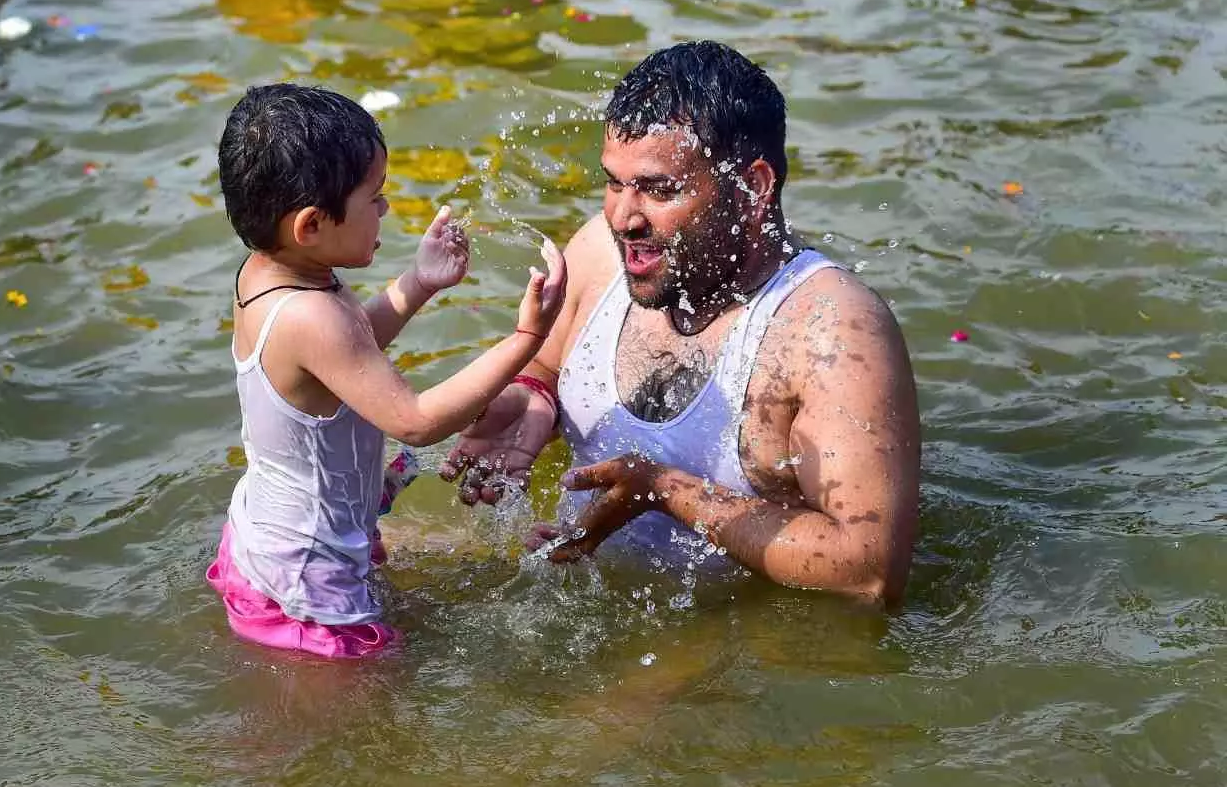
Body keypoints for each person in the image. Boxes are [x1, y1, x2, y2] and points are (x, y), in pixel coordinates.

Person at [439, 41, 921, 607]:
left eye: (659, 189)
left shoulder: (830, 330)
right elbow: (549, 359)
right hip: (579, 584)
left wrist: (665, 490)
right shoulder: (600, 249)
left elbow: (868, 571)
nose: (624, 216)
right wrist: (533, 394)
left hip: (729, 647)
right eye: (614, 183)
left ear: (754, 187)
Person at [208, 83, 567, 658]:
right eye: (373, 197)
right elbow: (417, 421)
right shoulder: (310, 314)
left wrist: (418, 283)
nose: (385, 209)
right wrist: (529, 338)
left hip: (276, 530)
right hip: (309, 577)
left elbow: (348, 356)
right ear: (310, 225)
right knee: (363, 716)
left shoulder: (272, 274)